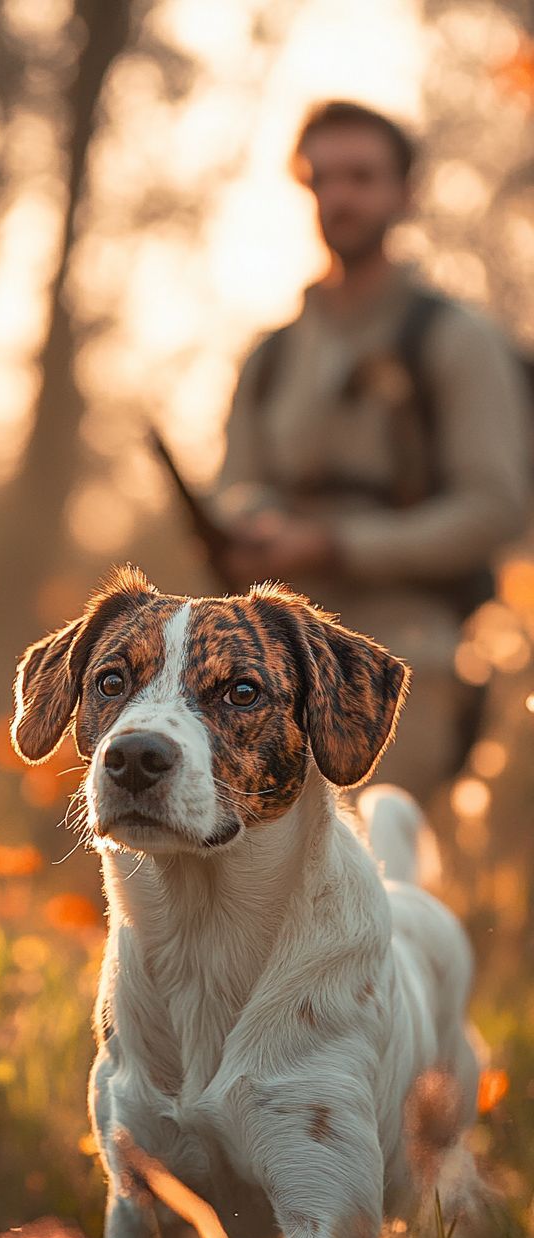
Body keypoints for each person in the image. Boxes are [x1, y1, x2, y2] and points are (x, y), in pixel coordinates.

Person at [214, 99, 530, 804]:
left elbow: (496, 507)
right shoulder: (272, 354)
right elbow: (233, 484)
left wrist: (334, 545)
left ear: (404, 193)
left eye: (361, 177)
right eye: (323, 178)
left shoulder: (456, 341)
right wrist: (257, 524)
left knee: (372, 866)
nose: (340, 197)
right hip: (265, 664)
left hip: (411, 657)